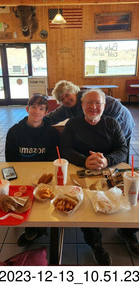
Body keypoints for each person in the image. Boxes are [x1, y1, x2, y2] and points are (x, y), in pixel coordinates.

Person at [60, 89, 135, 265]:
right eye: (89, 103)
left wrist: (107, 160)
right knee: (87, 208)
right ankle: (95, 244)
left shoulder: (112, 123)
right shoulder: (72, 124)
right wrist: (85, 161)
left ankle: (128, 232)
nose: (93, 107)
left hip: (109, 172)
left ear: (104, 105)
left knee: (132, 200)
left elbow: (122, 149)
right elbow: (65, 149)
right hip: (81, 173)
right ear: (82, 105)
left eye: (98, 103)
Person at [5, 93, 60, 246]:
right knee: (22, 199)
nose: (37, 111)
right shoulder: (14, 132)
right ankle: (33, 230)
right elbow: (11, 161)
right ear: (27, 109)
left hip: (45, 176)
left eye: (41, 108)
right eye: (33, 107)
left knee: (44, 201)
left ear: (46, 112)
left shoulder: (52, 134)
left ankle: (42, 227)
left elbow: (52, 161)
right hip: (23, 175)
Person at [45, 80, 135, 161]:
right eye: (62, 99)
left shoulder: (90, 97)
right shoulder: (65, 108)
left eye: (67, 95)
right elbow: (51, 118)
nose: (66, 100)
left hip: (123, 121)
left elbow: (116, 105)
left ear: (74, 91)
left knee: (117, 151)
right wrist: (34, 121)